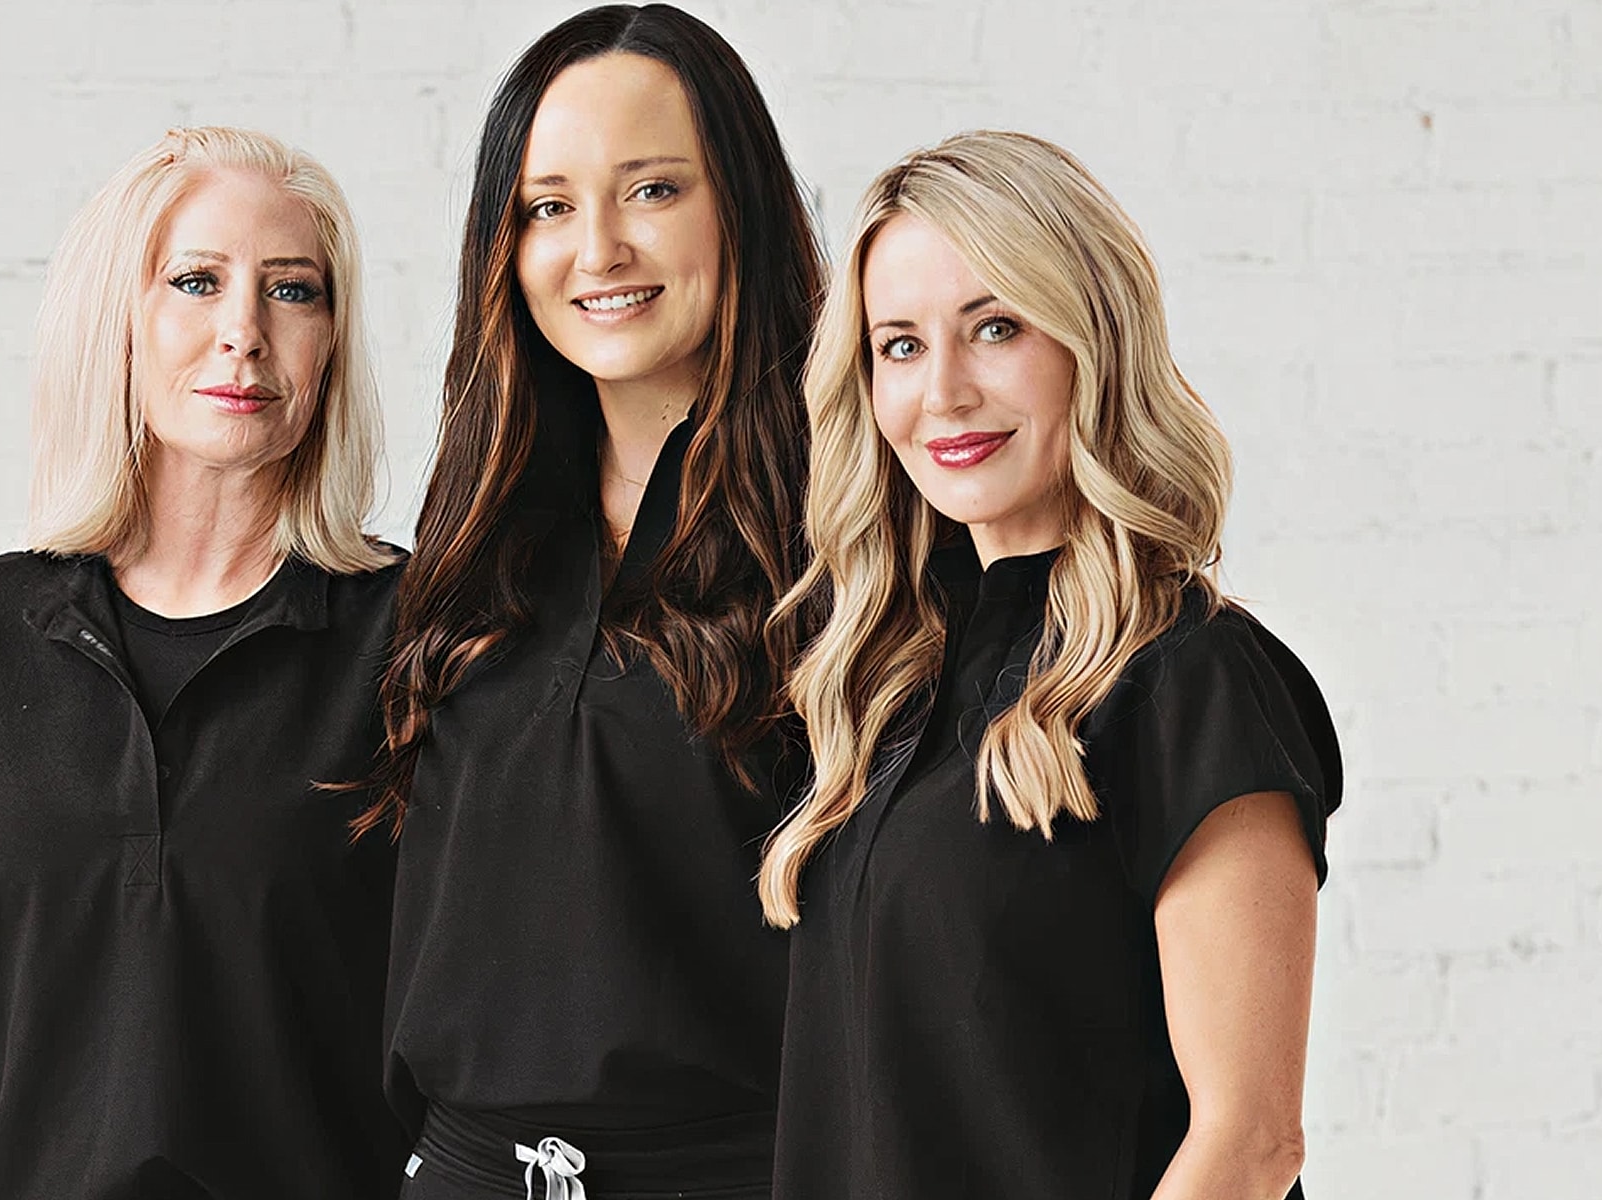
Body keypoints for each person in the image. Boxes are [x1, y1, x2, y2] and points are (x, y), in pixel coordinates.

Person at [0, 126, 409, 1200]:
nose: (245, 331)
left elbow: (480, 1020)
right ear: (116, 324)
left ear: (332, 339)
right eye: (196, 281)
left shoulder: (416, 641)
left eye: (294, 291)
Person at [762, 130, 1343, 1200]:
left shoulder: (1194, 679)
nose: (941, 392)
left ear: (1093, 340)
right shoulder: (889, 688)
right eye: (898, 344)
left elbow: (1250, 1144)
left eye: (994, 328)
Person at [358, 5, 822, 1197]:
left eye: (652, 190)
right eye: (549, 207)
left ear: (744, 207)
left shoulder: (859, 541)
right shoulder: (474, 538)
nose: (598, 249)